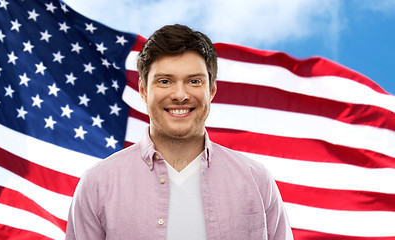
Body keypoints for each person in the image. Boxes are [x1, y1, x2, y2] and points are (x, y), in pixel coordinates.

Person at [65, 24, 293, 240]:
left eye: (194, 81)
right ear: (143, 90)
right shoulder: (98, 183)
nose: (180, 94)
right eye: (165, 81)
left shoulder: (256, 180)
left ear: (211, 90)